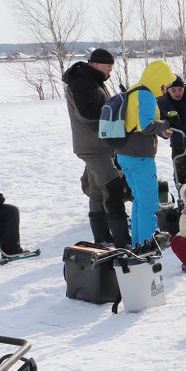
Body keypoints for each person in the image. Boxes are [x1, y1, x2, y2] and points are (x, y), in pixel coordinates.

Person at [62, 47, 129, 247]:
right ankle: (121, 240)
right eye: (109, 66)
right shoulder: (82, 81)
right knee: (112, 187)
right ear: (97, 63)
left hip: (96, 143)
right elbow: (87, 113)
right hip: (93, 145)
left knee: (99, 190)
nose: (110, 70)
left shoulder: (92, 80)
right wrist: (115, 112)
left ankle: (102, 237)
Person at [117, 61, 176, 254]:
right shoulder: (147, 95)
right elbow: (145, 126)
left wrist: (160, 131)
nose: (166, 88)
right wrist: (166, 123)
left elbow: (136, 123)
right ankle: (149, 245)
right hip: (140, 156)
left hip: (125, 153)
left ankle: (138, 243)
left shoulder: (134, 91)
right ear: (158, 80)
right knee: (149, 202)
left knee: (139, 200)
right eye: (165, 83)